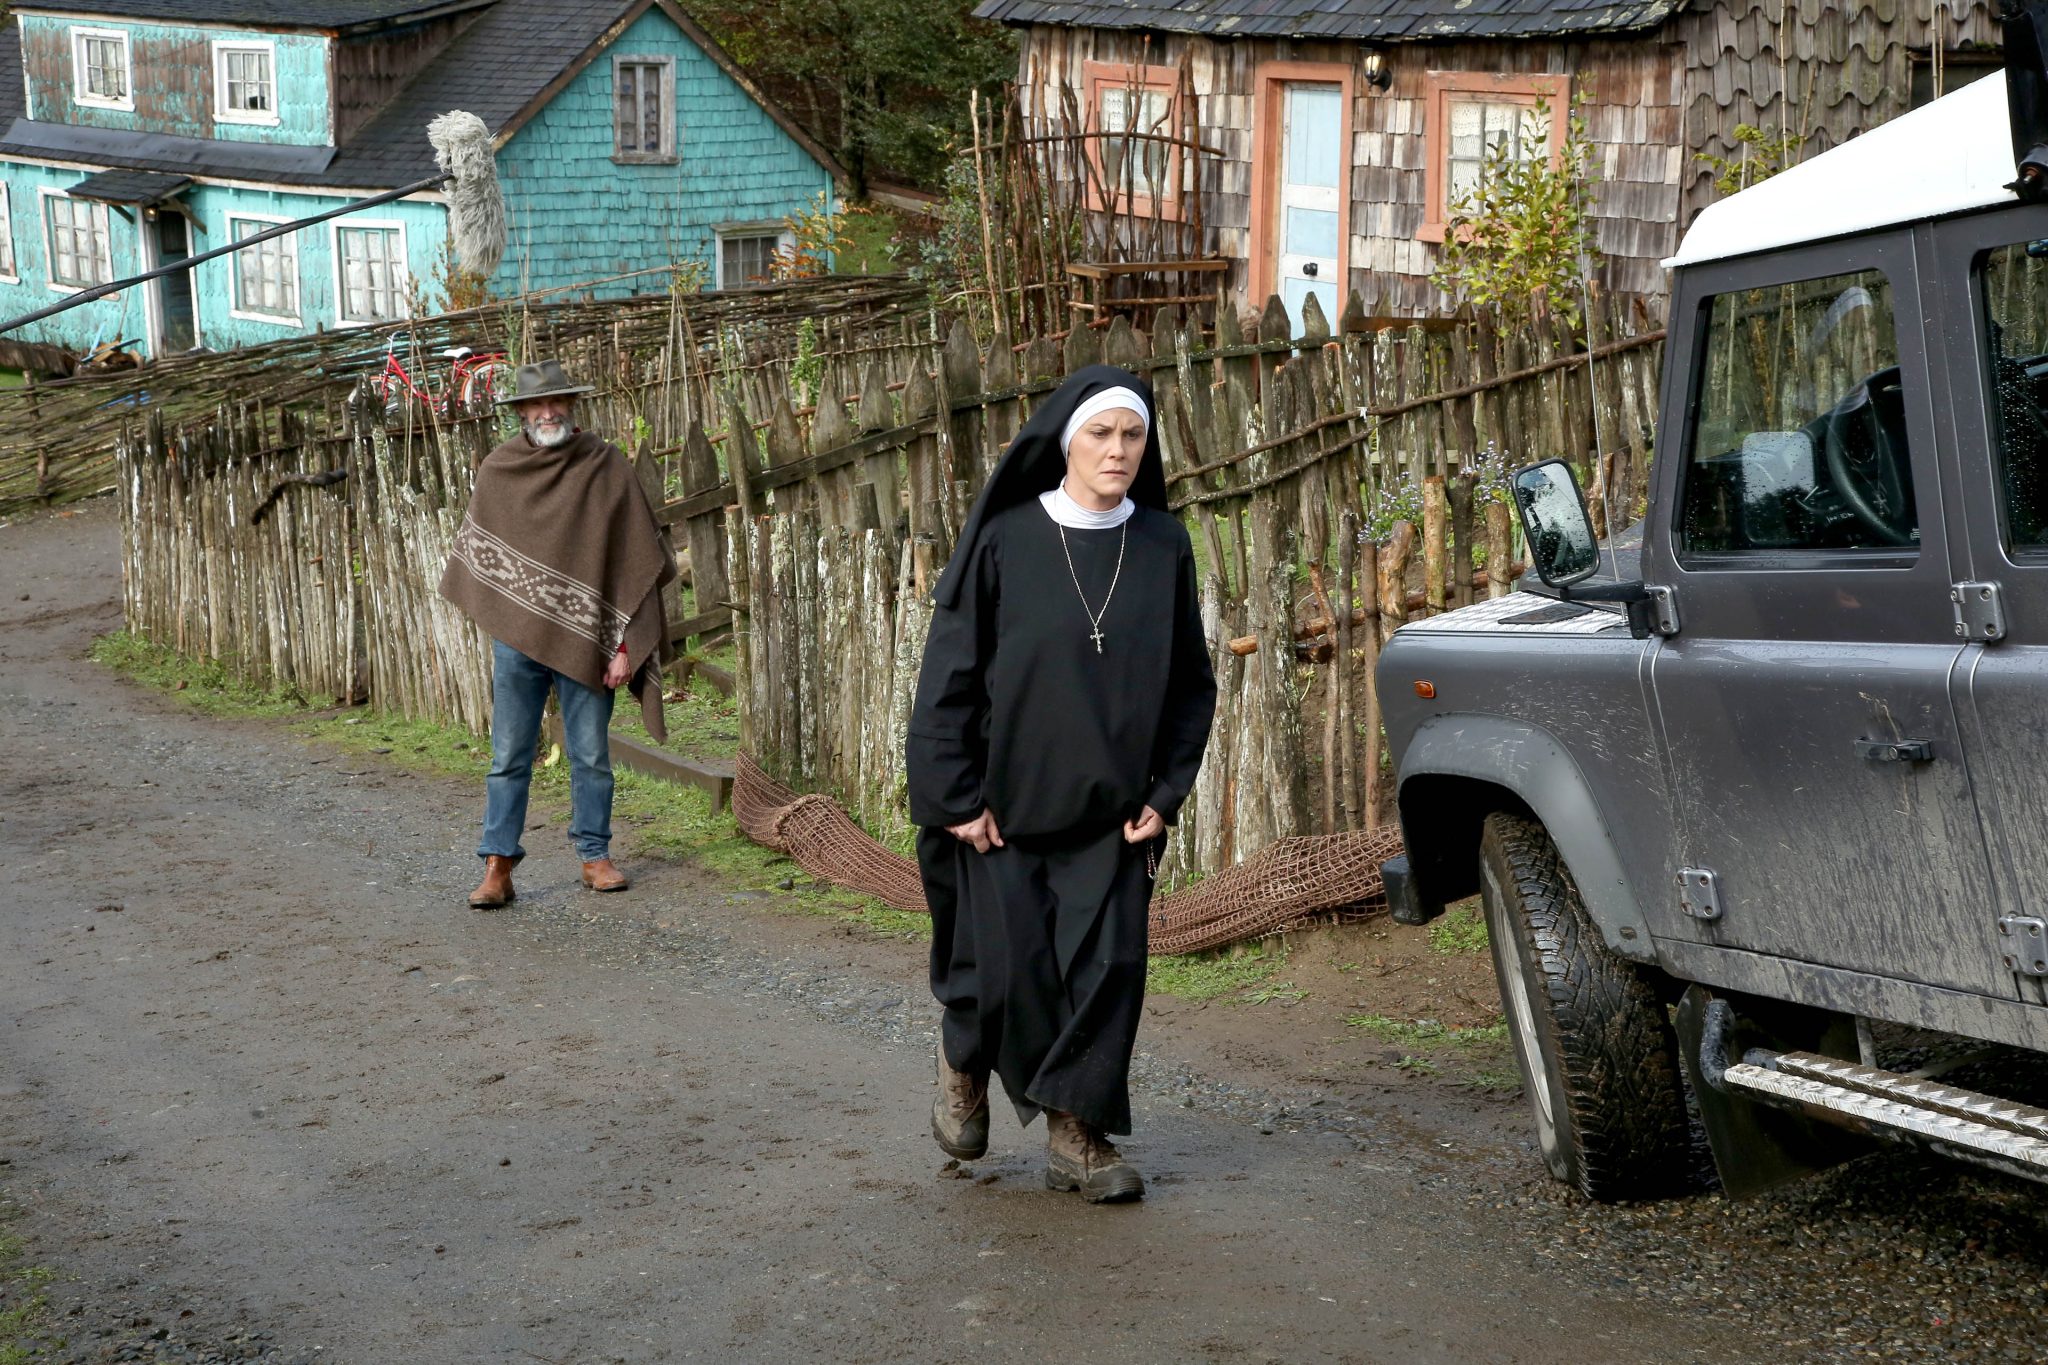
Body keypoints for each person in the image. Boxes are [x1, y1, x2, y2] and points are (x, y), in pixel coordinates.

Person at [906, 364, 1216, 1204]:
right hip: (1000, 813)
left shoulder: (1161, 545)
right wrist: (956, 796)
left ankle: (1078, 1134)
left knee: (1109, 967)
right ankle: (964, 1056)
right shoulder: (1008, 537)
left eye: (1133, 436)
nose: (1118, 450)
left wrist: (1169, 789)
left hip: (1112, 817)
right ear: (1065, 442)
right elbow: (949, 677)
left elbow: (1192, 681)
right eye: (1101, 434)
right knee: (1006, 974)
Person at [438, 359, 676, 909]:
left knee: (590, 754)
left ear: (572, 406)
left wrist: (623, 644)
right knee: (508, 754)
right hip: (516, 638)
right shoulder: (500, 470)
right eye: (536, 404)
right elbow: (485, 561)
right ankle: (498, 864)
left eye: (557, 402)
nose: (548, 412)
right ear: (521, 411)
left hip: (589, 639)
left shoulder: (605, 465)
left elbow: (634, 563)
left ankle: (595, 857)